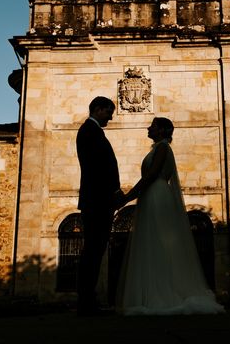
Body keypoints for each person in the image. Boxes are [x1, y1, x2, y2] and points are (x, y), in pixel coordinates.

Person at [116, 117, 224, 315]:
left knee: (159, 241)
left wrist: (128, 197)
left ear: (162, 130)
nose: (149, 127)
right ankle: (154, 291)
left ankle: (163, 294)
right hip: (151, 194)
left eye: (153, 125)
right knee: (153, 242)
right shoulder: (157, 148)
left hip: (156, 194)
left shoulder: (163, 148)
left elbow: (151, 175)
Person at [76, 96, 125, 316]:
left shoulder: (92, 131)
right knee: (93, 251)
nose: (111, 117)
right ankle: (86, 302)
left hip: (97, 199)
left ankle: (87, 300)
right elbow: (98, 167)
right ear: (97, 109)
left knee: (95, 251)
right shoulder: (89, 131)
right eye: (108, 112)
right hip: (97, 200)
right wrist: (113, 192)